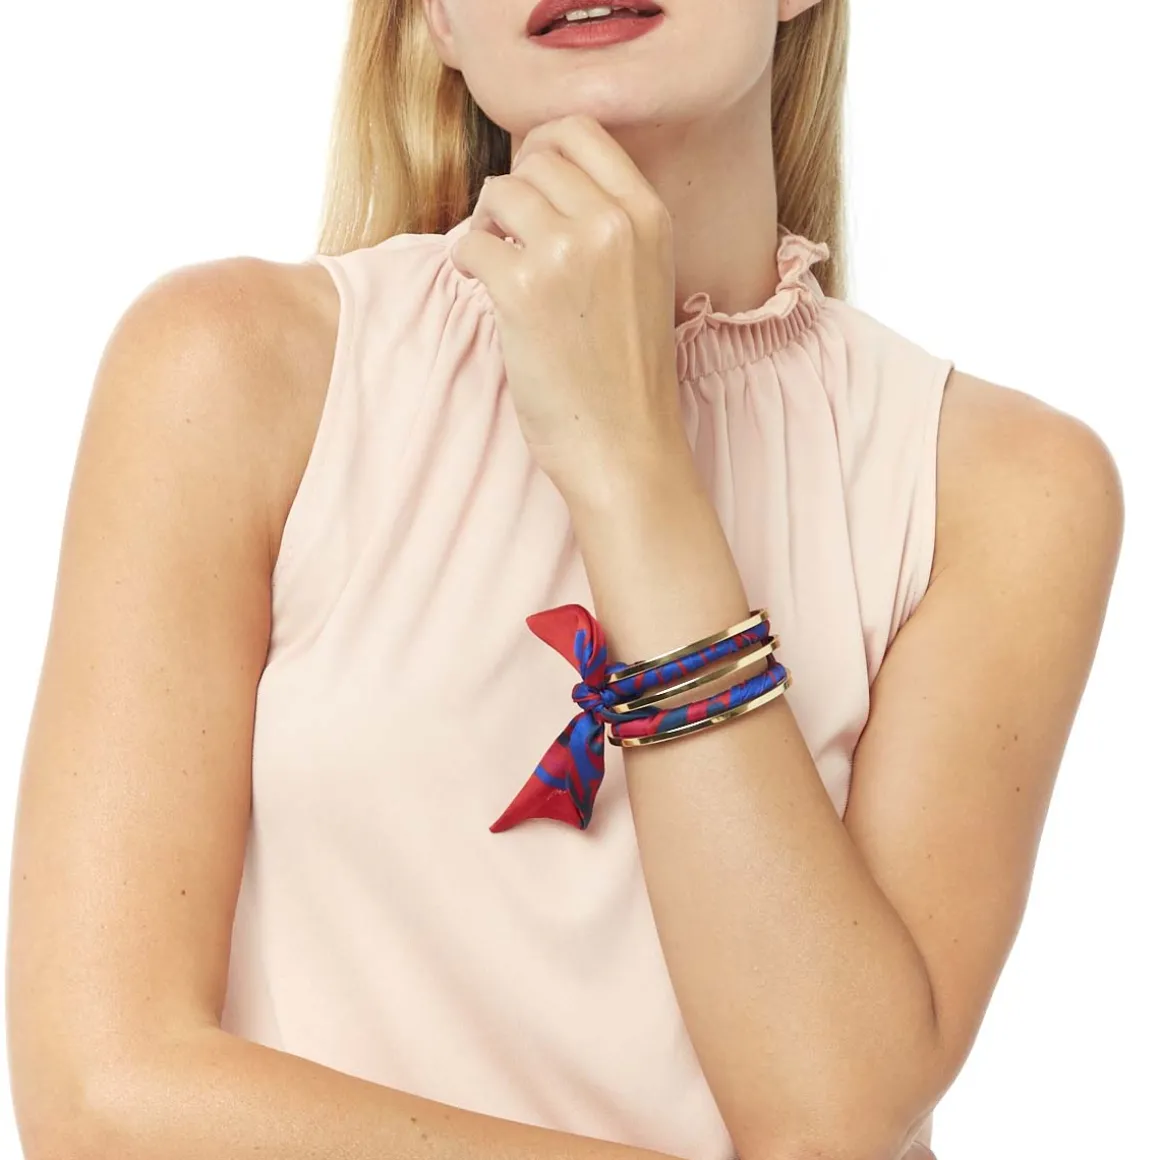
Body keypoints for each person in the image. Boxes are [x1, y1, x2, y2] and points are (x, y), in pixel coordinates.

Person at [6, 1, 1123, 1158]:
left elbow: (829, 1112)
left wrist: (629, 461)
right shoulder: (232, 371)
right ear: (437, 17)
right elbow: (101, 1098)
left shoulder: (995, 489)